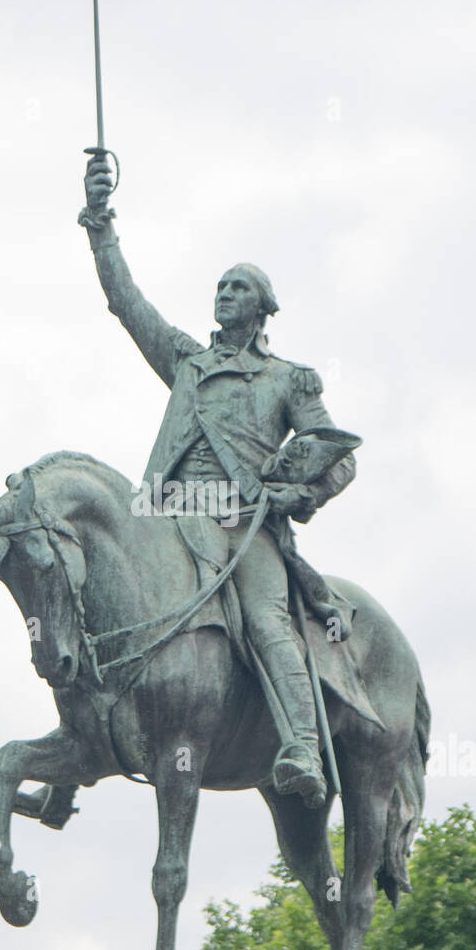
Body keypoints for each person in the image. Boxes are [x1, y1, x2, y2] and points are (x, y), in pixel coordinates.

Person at [78, 157, 356, 808]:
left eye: (239, 287)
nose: (225, 292)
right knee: (94, 593)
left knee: (265, 619)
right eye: (221, 285)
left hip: (242, 525)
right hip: (168, 514)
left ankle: (303, 749)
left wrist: (297, 495)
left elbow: (336, 456)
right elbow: (125, 300)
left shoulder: (288, 379)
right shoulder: (185, 361)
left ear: (262, 310)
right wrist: (100, 224)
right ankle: (83, 733)